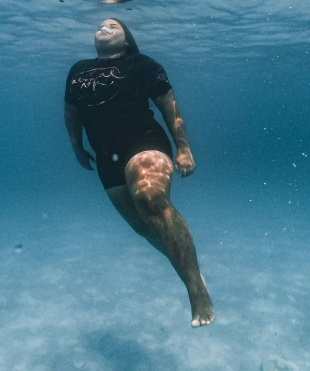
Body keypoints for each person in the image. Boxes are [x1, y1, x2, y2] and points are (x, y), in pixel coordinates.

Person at [64, 18, 215, 327]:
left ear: (127, 39)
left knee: (149, 197)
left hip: (143, 141)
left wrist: (183, 148)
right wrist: (77, 147)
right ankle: (190, 270)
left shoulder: (142, 63)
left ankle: (196, 291)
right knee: (143, 226)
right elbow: (71, 112)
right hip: (107, 157)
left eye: (113, 25)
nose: (104, 27)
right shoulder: (77, 70)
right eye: (101, 25)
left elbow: (168, 105)